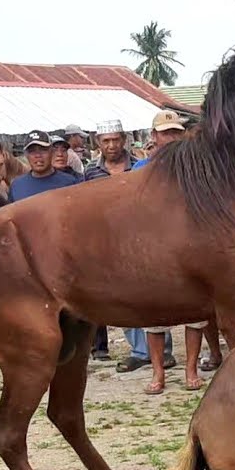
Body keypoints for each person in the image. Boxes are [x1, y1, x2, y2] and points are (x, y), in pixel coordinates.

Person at [84, 119, 157, 370]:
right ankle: (139, 350)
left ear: (124, 140)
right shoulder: (90, 172)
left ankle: (161, 350)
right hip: (108, 241)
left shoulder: (140, 168)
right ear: (98, 143)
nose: (112, 145)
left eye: (116, 139)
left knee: (153, 293)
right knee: (124, 296)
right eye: (106, 141)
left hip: (141, 237)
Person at [134, 110, 198, 394]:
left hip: (189, 247)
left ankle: (191, 369)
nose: (171, 137)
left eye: (175, 132)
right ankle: (158, 373)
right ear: (154, 136)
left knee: (196, 313)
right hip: (153, 249)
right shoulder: (140, 170)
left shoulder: (198, 168)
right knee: (153, 315)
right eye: (165, 132)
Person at [8, 131, 79, 203]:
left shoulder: (70, 183)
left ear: (51, 151)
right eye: (32, 151)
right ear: (26, 155)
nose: (38, 155)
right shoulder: (17, 186)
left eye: (43, 150)